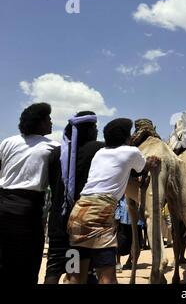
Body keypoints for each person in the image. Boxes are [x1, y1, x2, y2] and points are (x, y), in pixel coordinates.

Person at [66, 118, 158, 284]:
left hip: (78, 213)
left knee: (75, 276)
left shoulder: (99, 153)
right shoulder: (131, 152)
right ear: (126, 137)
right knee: (107, 278)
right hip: (100, 215)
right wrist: (151, 163)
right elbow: (143, 168)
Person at [0, 103, 58, 284]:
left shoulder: (8, 142)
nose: (51, 122)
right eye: (48, 119)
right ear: (39, 123)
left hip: (3, 204)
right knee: (29, 260)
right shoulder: (52, 147)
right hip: (29, 208)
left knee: (5, 260)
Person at [45, 111, 104, 284]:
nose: (96, 130)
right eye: (94, 126)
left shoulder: (56, 153)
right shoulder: (98, 149)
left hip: (57, 220)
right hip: (80, 220)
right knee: (76, 272)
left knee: (53, 267)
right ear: (89, 129)